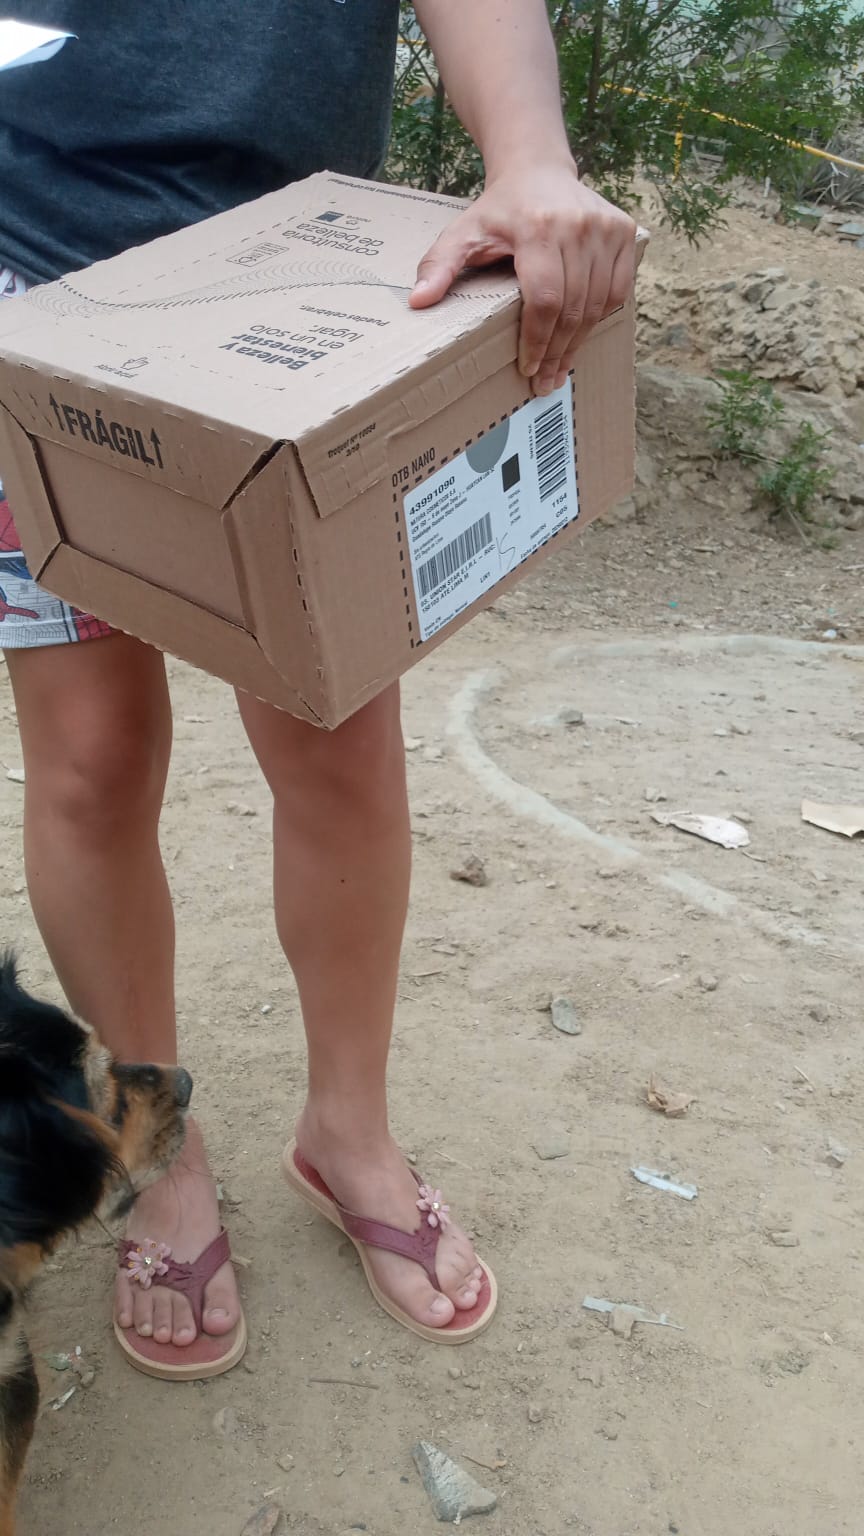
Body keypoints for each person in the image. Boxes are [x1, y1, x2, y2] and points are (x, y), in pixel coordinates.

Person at [0, 0, 635, 1376]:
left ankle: (347, 1130)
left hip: (301, 289)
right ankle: (159, 1147)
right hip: (28, 281)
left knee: (341, 748)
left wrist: (530, 152)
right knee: (89, 761)